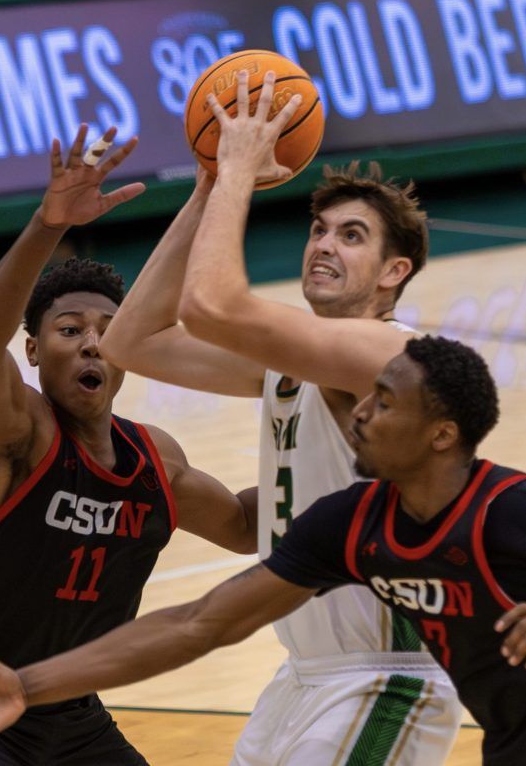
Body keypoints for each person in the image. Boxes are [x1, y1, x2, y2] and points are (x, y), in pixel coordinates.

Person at [0, 336, 526, 766]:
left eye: (383, 401)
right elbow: (200, 623)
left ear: (442, 433)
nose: (361, 414)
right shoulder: (354, 522)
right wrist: (28, 684)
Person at [97, 70, 462, 764]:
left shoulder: (388, 355)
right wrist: (209, 185)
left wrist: (236, 169)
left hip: (384, 677)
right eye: (319, 229)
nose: (324, 244)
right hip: (302, 677)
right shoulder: (293, 364)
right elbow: (130, 341)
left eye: (352, 237)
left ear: (394, 272)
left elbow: (211, 307)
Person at [0, 125, 260, 766]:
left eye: (109, 331)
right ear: (33, 350)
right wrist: (47, 225)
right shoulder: (19, 437)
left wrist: (323, 435)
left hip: (74, 722)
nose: (92, 342)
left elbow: (247, 526)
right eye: (69, 329)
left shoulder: (156, 463)